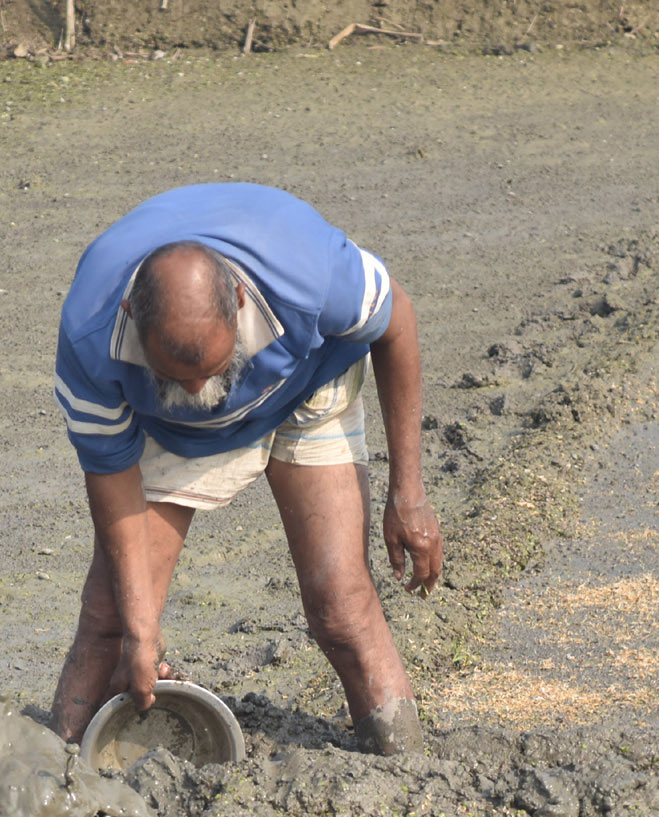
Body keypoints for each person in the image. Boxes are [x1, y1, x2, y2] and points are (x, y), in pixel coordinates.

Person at [47, 183, 442, 757]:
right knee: (110, 617)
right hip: (174, 429)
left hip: (307, 389)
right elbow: (111, 475)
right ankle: (60, 770)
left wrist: (408, 492)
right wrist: (141, 630)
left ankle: (406, 767)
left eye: (211, 368)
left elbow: (396, 320)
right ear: (131, 317)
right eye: (175, 375)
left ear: (237, 301)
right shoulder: (90, 336)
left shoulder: (308, 273)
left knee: (342, 608)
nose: (196, 389)